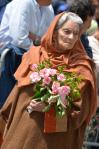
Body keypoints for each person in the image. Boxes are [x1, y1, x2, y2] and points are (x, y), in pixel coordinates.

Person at [0, 12, 96, 149]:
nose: (71, 37)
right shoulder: (34, 55)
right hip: (22, 132)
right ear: (55, 32)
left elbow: (79, 113)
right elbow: (16, 96)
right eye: (67, 31)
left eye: (76, 34)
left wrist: (48, 108)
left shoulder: (81, 67)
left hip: (54, 140)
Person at [0, 0, 54, 108]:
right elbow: (19, 40)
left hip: (34, 57)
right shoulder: (24, 2)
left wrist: (35, 37)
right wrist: (38, 41)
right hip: (11, 57)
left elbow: (48, 39)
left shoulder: (49, 8)